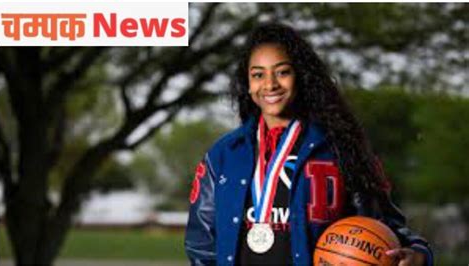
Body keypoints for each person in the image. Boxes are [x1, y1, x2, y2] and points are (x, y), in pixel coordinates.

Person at [185, 23, 433, 266]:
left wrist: (418, 254)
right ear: (247, 84)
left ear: (301, 76)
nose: (270, 84)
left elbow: (383, 225)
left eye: (282, 72)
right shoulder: (224, 154)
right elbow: (201, 241)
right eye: (258, 74)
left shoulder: (341, 147)